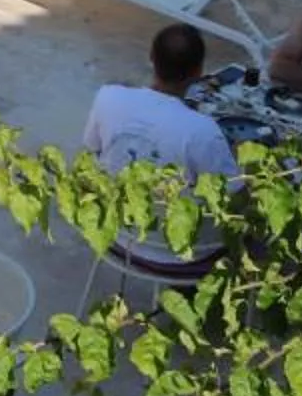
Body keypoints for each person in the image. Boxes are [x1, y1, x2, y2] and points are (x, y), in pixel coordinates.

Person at [81, 24, 242, 267]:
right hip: (187, 249)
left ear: (151, 58)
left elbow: (92, 147)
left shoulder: (108, 96)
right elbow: (233, 195)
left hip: (118, 229)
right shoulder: (202, 131)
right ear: (199, 72)